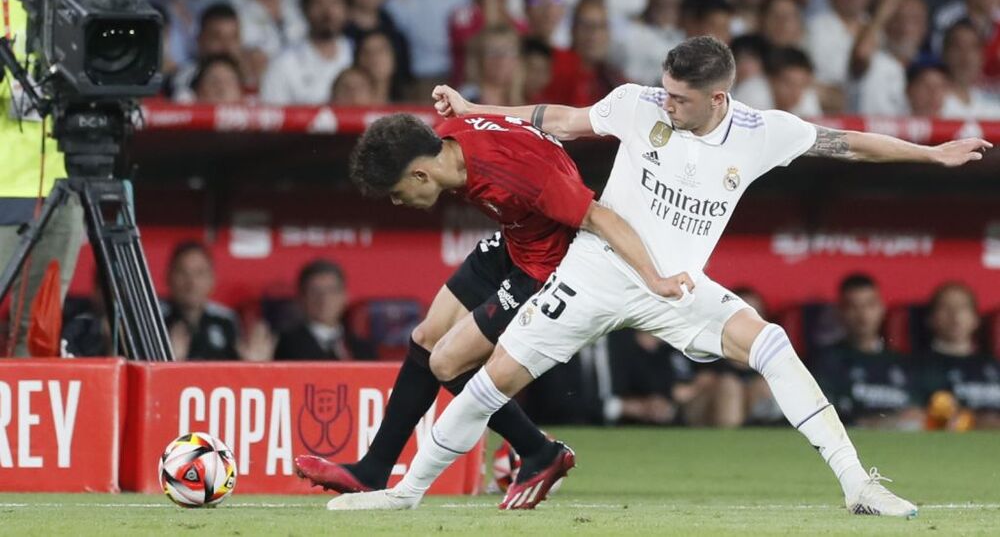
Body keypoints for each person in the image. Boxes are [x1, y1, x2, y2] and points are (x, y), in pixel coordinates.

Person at [336, 35, 992, 515]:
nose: (665, 104)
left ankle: (856, 482)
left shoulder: (762, 132)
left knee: (770, 342)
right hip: (592, 273)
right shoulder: (637, 104)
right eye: (663, 89)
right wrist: (479, 109)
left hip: (673, 287)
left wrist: (933, 154)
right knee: (486, 380)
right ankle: (405, 493)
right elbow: (555, 120)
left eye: (679, 98)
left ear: (718, 98)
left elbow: (847, 142)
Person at [295, 111, 686, 505]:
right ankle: (372, 470)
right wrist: (464, 104)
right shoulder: (449, 136)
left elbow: (599, 217)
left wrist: (655, 279)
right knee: (427, 338)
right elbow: (508, 122)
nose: (398, 202)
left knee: (447, 363)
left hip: (548, 263)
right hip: (517, 238)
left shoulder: (514, 175)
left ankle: (539, 451)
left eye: (397, 192)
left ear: (420, 175)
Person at [0, 0, 84, 357]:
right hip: (0, 186)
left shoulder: (86, 5)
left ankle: (24, 431)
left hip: (64, 188)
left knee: (39, 334)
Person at [811, 274, 923, 429]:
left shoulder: (904, 363)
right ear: (840, 312)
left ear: (882, 308)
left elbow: (920, 412)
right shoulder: (826, 362)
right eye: (853, 307)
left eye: (869, 305)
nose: (862, 314)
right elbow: (823, 417)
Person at [260, 0, 353, 105]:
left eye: (335, 2)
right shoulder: (283, 64)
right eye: (319, 2)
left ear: (347, 9)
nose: (328, 11)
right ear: (304, 8)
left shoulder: (359, 55)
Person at [920, 282, 1000, 430]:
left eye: (963, 307)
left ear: (976, 319)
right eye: (946, 307)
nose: (955, 315)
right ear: (931, 318)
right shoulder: (917, 366)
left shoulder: (995, 366)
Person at [274, 260, 376, 360]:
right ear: (301, 297)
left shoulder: (363, 348)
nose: (324, 299)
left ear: (345, 296)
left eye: (332, 290)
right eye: (315, 291)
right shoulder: (285, 345)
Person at [162, 241, 241, 361]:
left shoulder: (226, 320)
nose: (191, 283)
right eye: (183, 273)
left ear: (212, 279)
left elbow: (236, 372)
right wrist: (167, 361)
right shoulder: (154, 319)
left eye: (199, 273)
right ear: (168, 277)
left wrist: (253, 363)